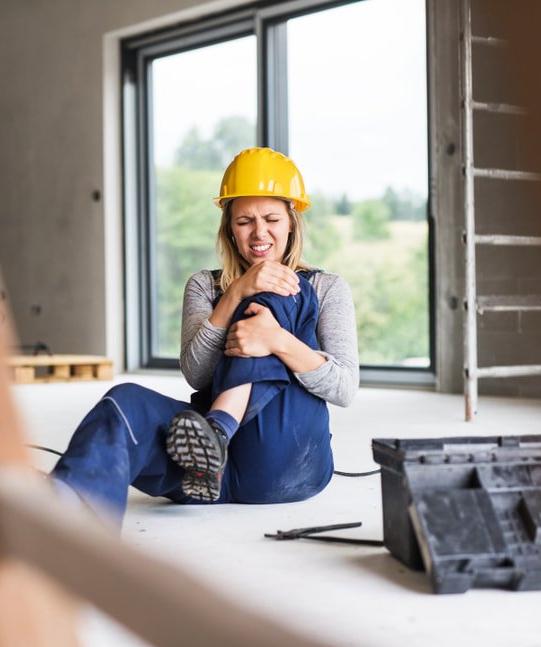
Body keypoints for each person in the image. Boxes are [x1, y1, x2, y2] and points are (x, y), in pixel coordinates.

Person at [50, 147, 358, 520]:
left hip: (289, 456)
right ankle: (62, 510)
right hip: (208, 471)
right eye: (245, 221)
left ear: (291, 222)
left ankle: (219, 429)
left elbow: (344, 387)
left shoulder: (326, 287)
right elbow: (197, 373)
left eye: (272, 219)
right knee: (123, 403)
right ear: (229, 226)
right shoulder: (203, 286)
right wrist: (236, 292)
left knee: (274, 286)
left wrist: (277, 339)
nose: (259, 232)